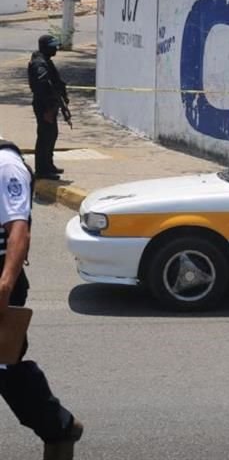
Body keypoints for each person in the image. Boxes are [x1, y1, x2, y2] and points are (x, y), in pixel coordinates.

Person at [0, 139, 83, 459]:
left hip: (3, 280)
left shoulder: (6, 166)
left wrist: (5, 288)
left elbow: (19, 230)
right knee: (7, 370)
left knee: (7, 368)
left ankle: (58, 427)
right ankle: (58, 425)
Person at [27, 35, 68, 180]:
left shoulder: (46, 61)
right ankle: (42, 169)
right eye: (53, 46)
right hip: (44, 105)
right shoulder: (40, 64)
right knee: (45, 136)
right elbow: (42, 87)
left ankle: (48, 165)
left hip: (50, 104)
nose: (55, 49)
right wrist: (48, 110)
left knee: (51, 134)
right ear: (44, 47)